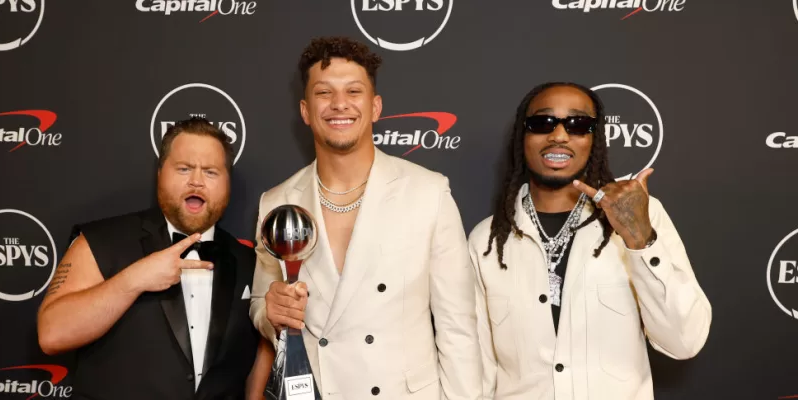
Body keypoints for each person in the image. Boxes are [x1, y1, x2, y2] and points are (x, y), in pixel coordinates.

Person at [248, 36, 483, 399]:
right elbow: (262, 304)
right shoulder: (277, 202)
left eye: (353, 91)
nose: (339, 104)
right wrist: (270, 313)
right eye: (324, 93)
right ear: (306, 111)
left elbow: (458, 328)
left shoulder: (428, 192)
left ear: (375, 107)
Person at [468, 82, 712, 399]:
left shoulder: (644, 215)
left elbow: (684, 341)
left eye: (578, 125)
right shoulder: (486, 239)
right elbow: (478, 368)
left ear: (594, 140)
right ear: (522, 137)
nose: (559, 135)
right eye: (542, 123)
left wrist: (639, 237)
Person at [36, 117, 271, 400]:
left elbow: (261, 351)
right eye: (184, 168)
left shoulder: (249, 261)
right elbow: (52, 335)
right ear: (160, 173)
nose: (196, 181)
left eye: (210, 172)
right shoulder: (102, 241)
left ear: (227, 183)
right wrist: (134, 279)